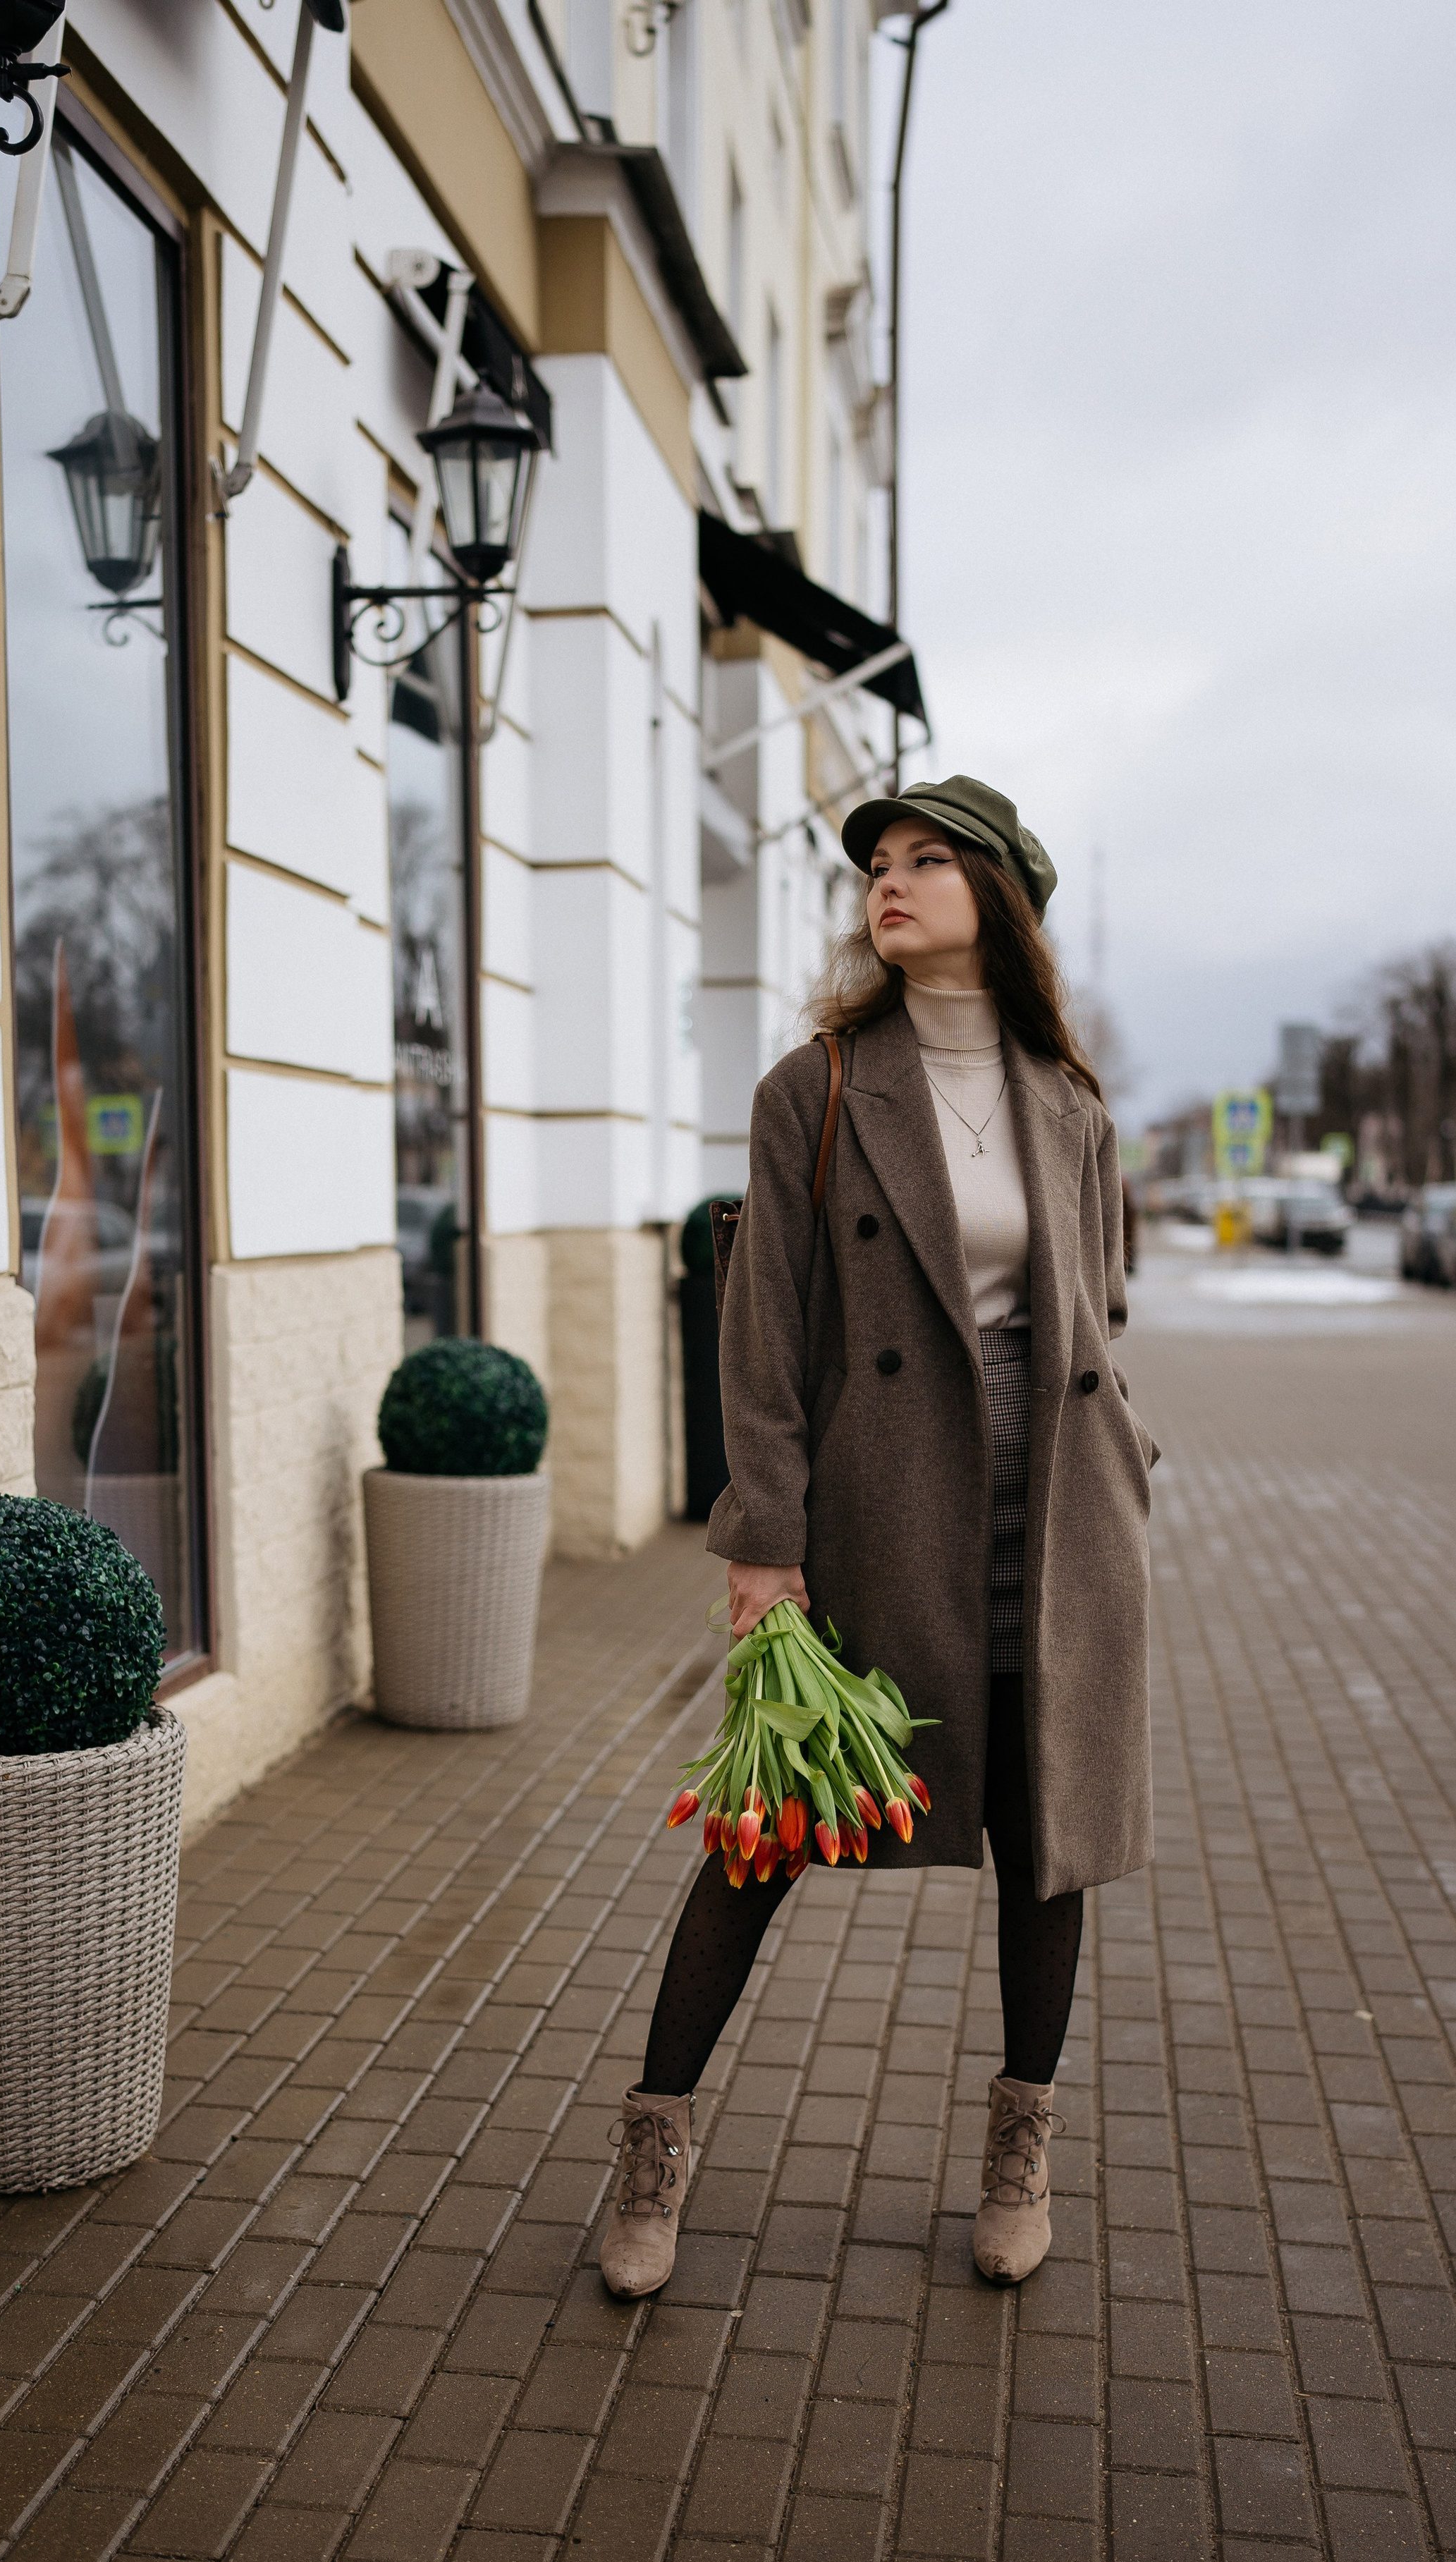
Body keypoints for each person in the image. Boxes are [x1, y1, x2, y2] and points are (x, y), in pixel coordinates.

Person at [599, 776, 1158, 2298]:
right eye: (876, 865)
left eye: (927, 861)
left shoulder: (1070, 1101)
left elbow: (1099, 1310)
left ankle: (1015, 2148)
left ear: (1001, 896)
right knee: (764, 1827)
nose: (888, 883)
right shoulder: (821, 1083)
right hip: (879, 1508)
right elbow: (762, 1330)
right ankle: (650, 2150)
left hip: (1055, 1515)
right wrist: (758, 1537)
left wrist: (1131, 1455)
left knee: (1048, 1845)